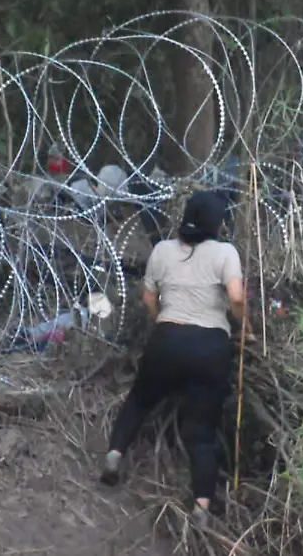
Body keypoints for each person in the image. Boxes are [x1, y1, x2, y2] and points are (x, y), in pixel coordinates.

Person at [99, 190, 250, 530]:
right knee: (201, 431)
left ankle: (113, 457)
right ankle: (200, 507)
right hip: (210, 346)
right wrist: (245, 324)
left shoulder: (163, 250)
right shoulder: (226, 252)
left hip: (168, 338)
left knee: (139, 400)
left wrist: (161, 320)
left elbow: (148, 295)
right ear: (217, 223)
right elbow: (237, 298)